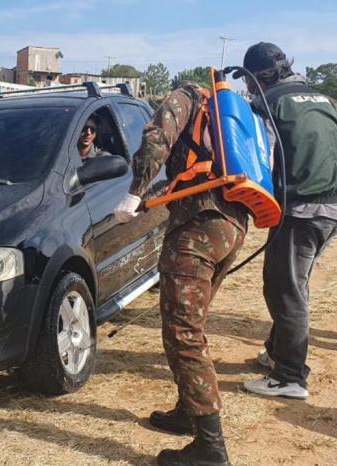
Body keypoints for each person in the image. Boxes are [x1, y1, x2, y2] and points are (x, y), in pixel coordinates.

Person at [114, 82, 247, 466]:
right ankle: (188, 411)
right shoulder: (222, 114)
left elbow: (156, 140)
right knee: (192, 324)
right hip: (231, 224)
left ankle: (210, 448)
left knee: (183, 333)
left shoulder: (185, 97)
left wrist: (135, 191)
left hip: (198, 228)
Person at [237, 43, 337, 399]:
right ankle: (277, 353)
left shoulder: (269, 104)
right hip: (335, 205)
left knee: (285, 290)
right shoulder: (318, 97)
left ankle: (289, 377)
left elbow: (261, 155)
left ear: (256, 77)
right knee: (291, 282)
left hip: (303, 208)